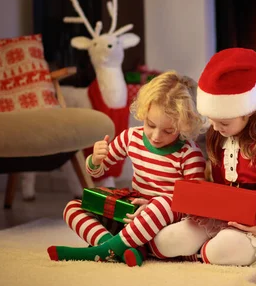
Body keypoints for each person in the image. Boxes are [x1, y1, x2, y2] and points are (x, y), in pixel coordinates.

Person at [150, 48, 256, 266]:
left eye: (225, 123)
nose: (217, 128)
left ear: (247, 111)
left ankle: (203, 253)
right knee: (167, 241)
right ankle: (199, 251)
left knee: (221, 249)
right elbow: (219, 186)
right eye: (212, 120)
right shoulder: (217, 135)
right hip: (225, 216)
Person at [47, 71, 206, 266]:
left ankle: (103, 251)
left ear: (184, 125)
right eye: (150, 124)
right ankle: (120, 249)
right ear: (144, 113)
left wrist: (152, 207)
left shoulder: (189, 154)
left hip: (162, 227)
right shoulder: (132, 137)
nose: (156, 136)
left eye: (168, 131)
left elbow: (193, 205)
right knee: (73, 207)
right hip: (130, 217)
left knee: (163, 203)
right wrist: (96, 160)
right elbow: (96, 171)